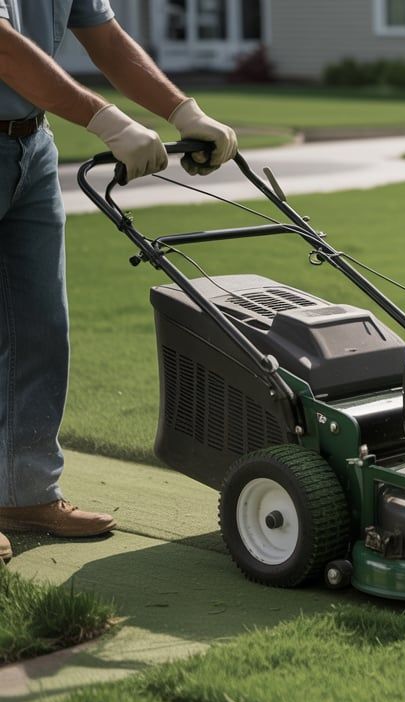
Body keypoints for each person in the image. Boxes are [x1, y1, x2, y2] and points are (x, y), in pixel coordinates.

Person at [0, 0, 237, 565]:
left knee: (40, 330)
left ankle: (21, 492)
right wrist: (108, 120)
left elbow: (105, 39)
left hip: (31, 147)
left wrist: (184, 111)